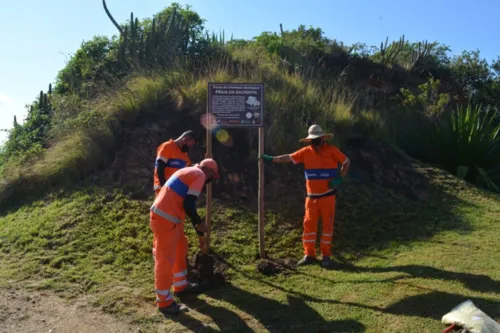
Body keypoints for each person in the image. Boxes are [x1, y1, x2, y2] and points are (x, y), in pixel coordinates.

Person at [260, 124, 350, 268]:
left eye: (317, 139)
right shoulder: (305, 152)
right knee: (308, 226)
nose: (315, 142)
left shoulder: (332, 150)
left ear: (322, 138)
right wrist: (271, 159)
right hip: (311, 198)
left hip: (328, 196)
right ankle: (309, 255)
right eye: (312, 140)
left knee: (327, 226)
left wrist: (339, 179)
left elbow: (346, 162)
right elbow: (288, 158)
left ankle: (326, 256)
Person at [149, 158, 220, 315]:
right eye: (212, 178)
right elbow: (189, 204)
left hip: (170, 217)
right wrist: (199, 224)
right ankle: (164, 302)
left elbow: (185, 203)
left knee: (181, 246)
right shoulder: (199, 174)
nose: (209, 182)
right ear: (209, 171)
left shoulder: (189, 171)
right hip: (166, 218)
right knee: (165, 258)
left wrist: (198, 228)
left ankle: (181, 286)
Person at [153, 130, 198, 196]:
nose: (189, 148)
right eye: (189, 146)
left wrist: (202, 164)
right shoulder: (167, 146)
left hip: (175, 189)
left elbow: (189, 168)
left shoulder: (184, 155)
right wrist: (164, 186)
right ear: (184, 140)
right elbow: (160, 166)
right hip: (164, 188)